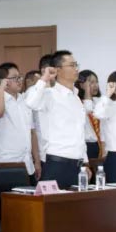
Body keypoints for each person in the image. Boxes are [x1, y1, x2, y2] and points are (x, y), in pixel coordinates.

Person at [24, 50, 87, 189]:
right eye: (72, 65)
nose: (76, 69)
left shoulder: (76, 97)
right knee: (52, 203)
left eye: (76, 65)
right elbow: (30, 102)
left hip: (77, 165)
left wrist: (85, 162)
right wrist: (44, 79)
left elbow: (79, 132)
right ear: (58, 70)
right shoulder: (49, 94)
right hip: (57, 164)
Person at [0, 63, 39, 182]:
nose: (20, 80)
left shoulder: (25, 101)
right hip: (6, 164)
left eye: (20, 77)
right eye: (15, 78)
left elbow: (32, 133)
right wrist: (1, 87)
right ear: (4, 81)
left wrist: (37, 161)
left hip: (28, 164)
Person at [77, 69, 103, 161]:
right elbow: (88, 109)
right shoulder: (77, 102)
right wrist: (87, 91)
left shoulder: (99, 101)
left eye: (96, 82)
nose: (95, 85)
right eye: (91, 82)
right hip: (86, 145)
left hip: (99, 144)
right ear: (81, 85)